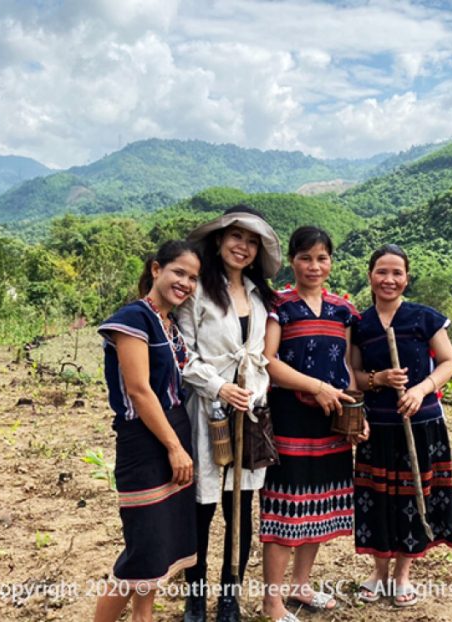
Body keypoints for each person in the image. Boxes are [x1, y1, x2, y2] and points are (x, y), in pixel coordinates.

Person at [175, 205, 282, 622]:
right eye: (237, 237)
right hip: (208, 410)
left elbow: (261, 357)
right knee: (202, 507)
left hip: (250, 412)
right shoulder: (198, 290)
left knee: (240, 507)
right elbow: (183, 352)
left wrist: (252, 393)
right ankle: (196, 596)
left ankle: (229, 597)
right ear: (219, 241)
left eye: (252, 241)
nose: (244, 246)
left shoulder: (260, 296)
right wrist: (220, 386)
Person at [259, 226, 368, 622]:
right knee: (285, 511)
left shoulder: (343, 309)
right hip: (290, 421)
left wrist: (357, 414)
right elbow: (268, 361)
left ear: (331, 262)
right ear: (293, 261)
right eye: (306, 257)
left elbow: (349, 369)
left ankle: (300, 585)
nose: (314, 266)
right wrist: (316, 387)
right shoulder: (279, 305)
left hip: (332, 424)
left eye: (322, 258)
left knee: (318, 508)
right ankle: (272, 601)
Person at [349, 244, 452, 608]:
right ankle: (378, 575)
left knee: (414, 497)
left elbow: (448, 362)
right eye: (382, 271)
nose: (389, 279)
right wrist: (378, 378)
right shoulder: (360, 325)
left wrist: (420, 389)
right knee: (378, 499)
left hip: (422, 424)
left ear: (406, 278)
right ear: (370, 276)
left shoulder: (424, 318)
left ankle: (402, 576)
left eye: (397, 273)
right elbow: (353, 375)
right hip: (378, 426)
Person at [94, 240, 201, 622]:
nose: (185, 283)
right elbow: (139, 390)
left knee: (159, 548)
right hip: (144, 440)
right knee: (142, 549)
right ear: (156, 269)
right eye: (179, 272)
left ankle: (144, 617)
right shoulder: (133, 319)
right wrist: (174, 447)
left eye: (193, 278)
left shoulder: (170, 323)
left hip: (175, 428)